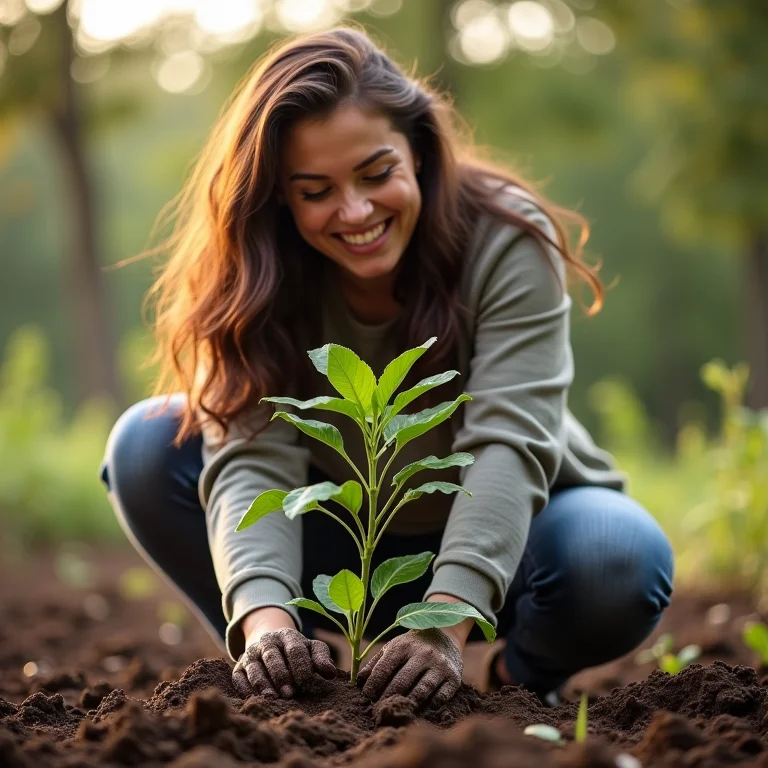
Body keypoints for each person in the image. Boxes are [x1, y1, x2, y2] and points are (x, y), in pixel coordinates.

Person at [99, 27, 674, 709]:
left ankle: (513, 689)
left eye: (376, 175)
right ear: (281, 195)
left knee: (616, 557)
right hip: (340, 540)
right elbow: (255, 460)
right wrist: (267, 623)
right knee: (146, 445)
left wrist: (443, 628)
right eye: (316, 190)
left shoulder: (506, 239)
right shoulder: (264, 268)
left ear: (420, 154)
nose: (355, 211)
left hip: (510, 534)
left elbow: (507, 444)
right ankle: (296, 673)